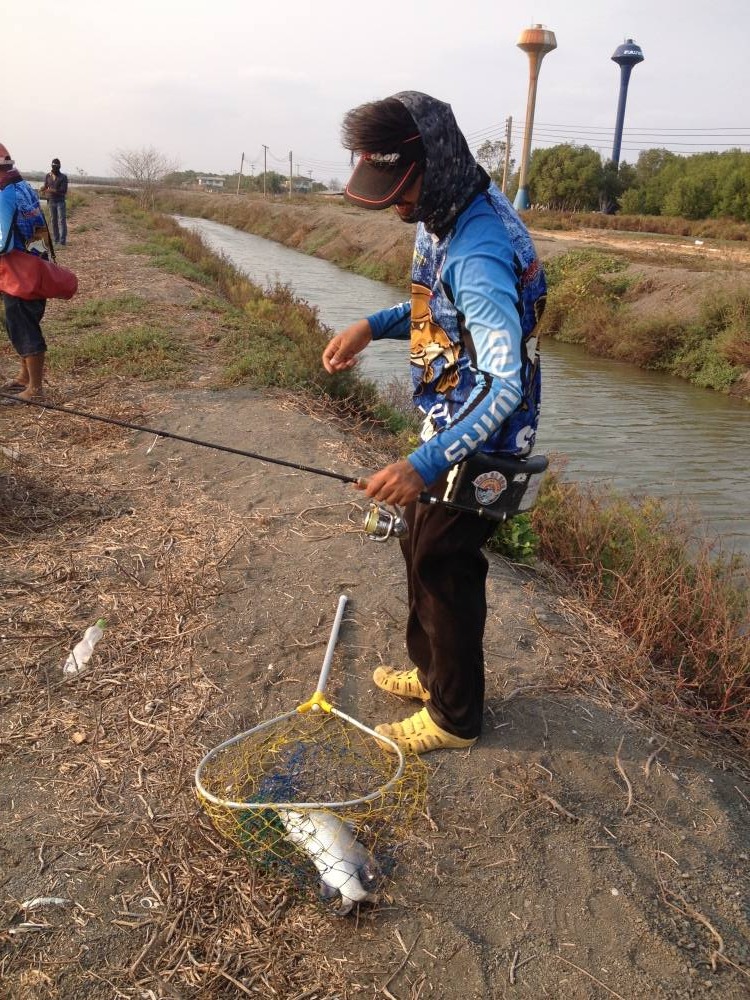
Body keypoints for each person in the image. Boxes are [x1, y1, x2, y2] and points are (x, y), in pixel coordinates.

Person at [322, 92, 546, 754]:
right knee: (416, 543)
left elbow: (503, 385)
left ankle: (455, 718)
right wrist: (374, 325)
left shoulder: (478, 253)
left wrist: (425, 465)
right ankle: (434, 675)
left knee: (445, 566)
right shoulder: (443, 208)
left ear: (434, 163)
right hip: (450, 416)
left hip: (484, 441)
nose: (394, 204)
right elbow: (434, 305)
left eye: (398, 189)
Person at [0, 143, 50, 400]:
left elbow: (3, 242)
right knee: (21, 323)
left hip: (18, 272)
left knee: (22, 326)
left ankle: (36, 389)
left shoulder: (4, 194)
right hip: (36, 263)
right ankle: (25, 377)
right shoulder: (23, 187)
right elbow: (41, 227)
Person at [44, 157, 68, 246]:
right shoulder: (48, 176)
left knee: (61, 220)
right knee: (53, 221)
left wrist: (52, 190)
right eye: (53, 166)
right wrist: (44, 189)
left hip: (60, 201)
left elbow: (63, 190)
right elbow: (46, 187)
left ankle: (62, 241)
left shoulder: (63, 177)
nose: (54, 167)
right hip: (51, 201)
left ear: (59, 166)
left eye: (56, 166)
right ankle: (56, 240)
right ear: (51, 166)